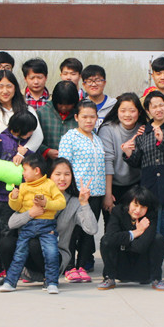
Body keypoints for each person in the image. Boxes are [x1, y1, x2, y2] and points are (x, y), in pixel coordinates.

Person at [122, 91, 164, 285]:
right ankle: (151, 271)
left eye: (161, 105)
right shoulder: (143, 133)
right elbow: (138, 162)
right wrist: (128, 153)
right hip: (150, 191)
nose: (158, 109)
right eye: (154, 106)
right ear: (148, 110)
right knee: (151, 233)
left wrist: (163, 140)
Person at [0, 158, 98, 286]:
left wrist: (84, 203)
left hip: (56, 256)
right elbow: (11, 223)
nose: (62, 179)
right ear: (49, 176)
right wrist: (30, 213)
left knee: (36, 244)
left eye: (67, 174)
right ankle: (10, 278)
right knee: (6, 242)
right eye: (58, 174)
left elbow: (92, 229)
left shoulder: (74, 202)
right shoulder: (35, 195)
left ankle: (49, 279)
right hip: (28, 253)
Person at [0, 111, 38, 282]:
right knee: (6, 232)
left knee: (25, 232)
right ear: (18, 129)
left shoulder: (28, 144)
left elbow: (37, 167)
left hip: (27, 197)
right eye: (29, 130)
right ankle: (6, 267)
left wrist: (26, 153)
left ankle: (25, 267)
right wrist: (7, 168)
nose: (31, 134)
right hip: (4, 198)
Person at [0, 154, 66, 294]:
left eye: (25, 169)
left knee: (51, 253)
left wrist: (46, 203)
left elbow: (61, 203)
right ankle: (10, 282)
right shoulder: (23, 186)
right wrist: (13, 198)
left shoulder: (49, 184)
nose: (23, 173)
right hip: (27, 226)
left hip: (46, 226)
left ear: (36, 171)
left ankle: (52, 282)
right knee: (19, 255)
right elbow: (17, 207)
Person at [58, 100, 106, 281]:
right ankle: (69, 266)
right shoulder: (70, 137)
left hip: (95, 193)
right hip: (75, 194)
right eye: (84, 117)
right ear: (77, 117)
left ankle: (83, 265)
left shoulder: (98, 139)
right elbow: (63, 167)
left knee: (88, 231)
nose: (89, 120)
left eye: (92, 117)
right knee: (71, 231)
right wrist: (68, 190)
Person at [98, 186, 164, 291]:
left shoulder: (150, 216)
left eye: (143, 207)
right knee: (105, 241)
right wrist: (137, 232)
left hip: (142, 268)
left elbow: (141, 247)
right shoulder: (118, 211)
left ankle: (156, 279)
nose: (138, 210)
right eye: (135, 205)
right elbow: (110, 238)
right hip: (121, 265)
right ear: (128, 203)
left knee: (158, 239)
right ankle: (109, 278)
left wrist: (122, 243)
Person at [99, 93, 149, 216]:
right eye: (123, 111)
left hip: (136, 184)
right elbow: (107, 162)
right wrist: (107, 194)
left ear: (139, 112)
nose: (127, 115)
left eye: (132, 111)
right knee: (113, 222)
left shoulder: (143, 129)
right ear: (117, 112)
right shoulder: (107, 129)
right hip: (113, 185)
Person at [0, 69, 44, 153]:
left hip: (25, 159)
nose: (5, 91)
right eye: (0, 87)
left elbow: (38, 136)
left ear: (15, 88)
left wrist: (23, 152)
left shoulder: (28, 110)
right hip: (2, 160)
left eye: (9, 86)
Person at [37, 81, 79, 160]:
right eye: (60, 104)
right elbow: (32, 139)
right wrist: (46, 151)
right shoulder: (42, 113)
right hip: (46, 163)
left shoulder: (80, 114)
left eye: (68, 105)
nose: (64, 107)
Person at [81, 64, 116, 130]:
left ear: (104, 83)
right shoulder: (80, 106)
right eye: (89, 81)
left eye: (98, 80)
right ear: (84, 85)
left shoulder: (115, 105)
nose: (94, 84)